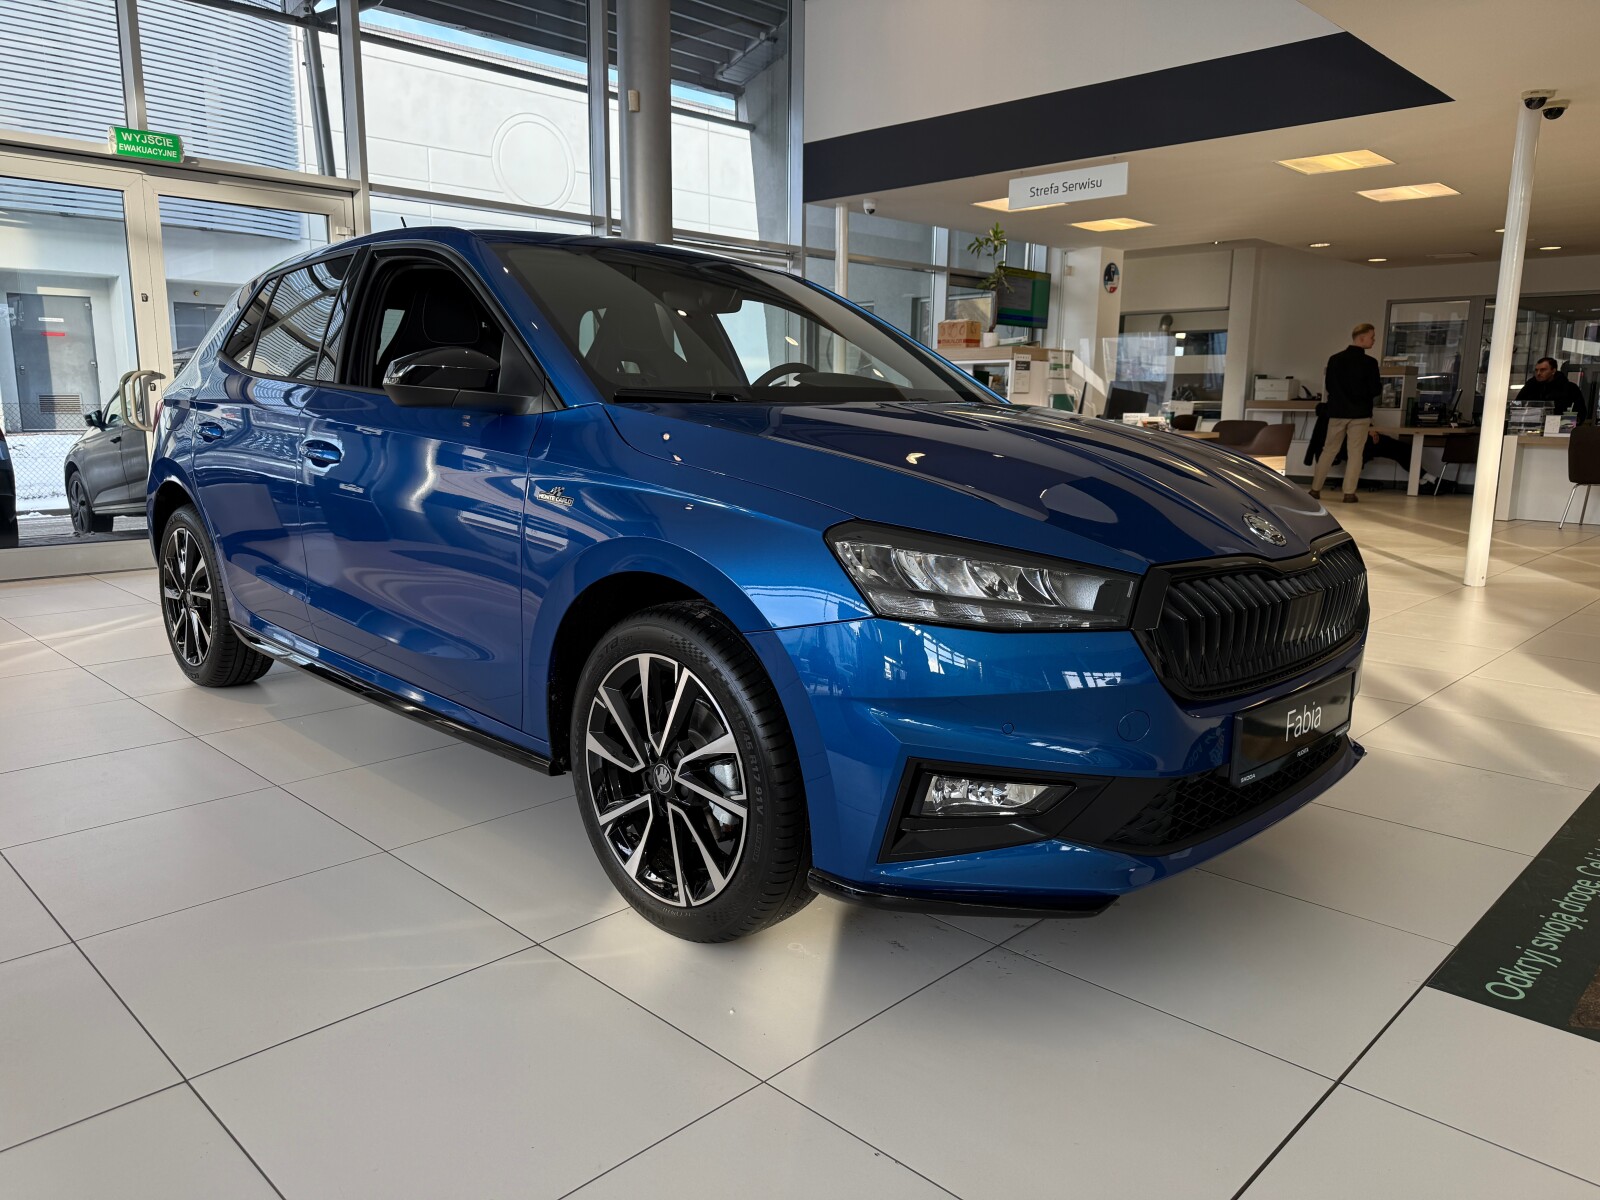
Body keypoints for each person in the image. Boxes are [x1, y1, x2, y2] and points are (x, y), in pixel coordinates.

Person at [1310, 322, 1382, 503]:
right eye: (1372, 337)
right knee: (1355, 453)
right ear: (1362, 338)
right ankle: (1349, 493)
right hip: (1360, 414)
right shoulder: (1370, 363)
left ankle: (1315, 489)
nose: (1374, 340)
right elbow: (1375, 390)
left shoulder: (1335, 359)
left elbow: (1329, 386)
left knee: (1328, 451)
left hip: (1337, 412)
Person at [1519, 357, 1588, 424]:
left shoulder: (1569, 388)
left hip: (1559, 427)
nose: (1538, 373)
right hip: (1531, 426)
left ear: (1553, 371)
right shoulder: (1530, 387)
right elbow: (1518, 406)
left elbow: (1580, 414)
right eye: (1536, 370)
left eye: (1543, 370)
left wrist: (1565, 421)